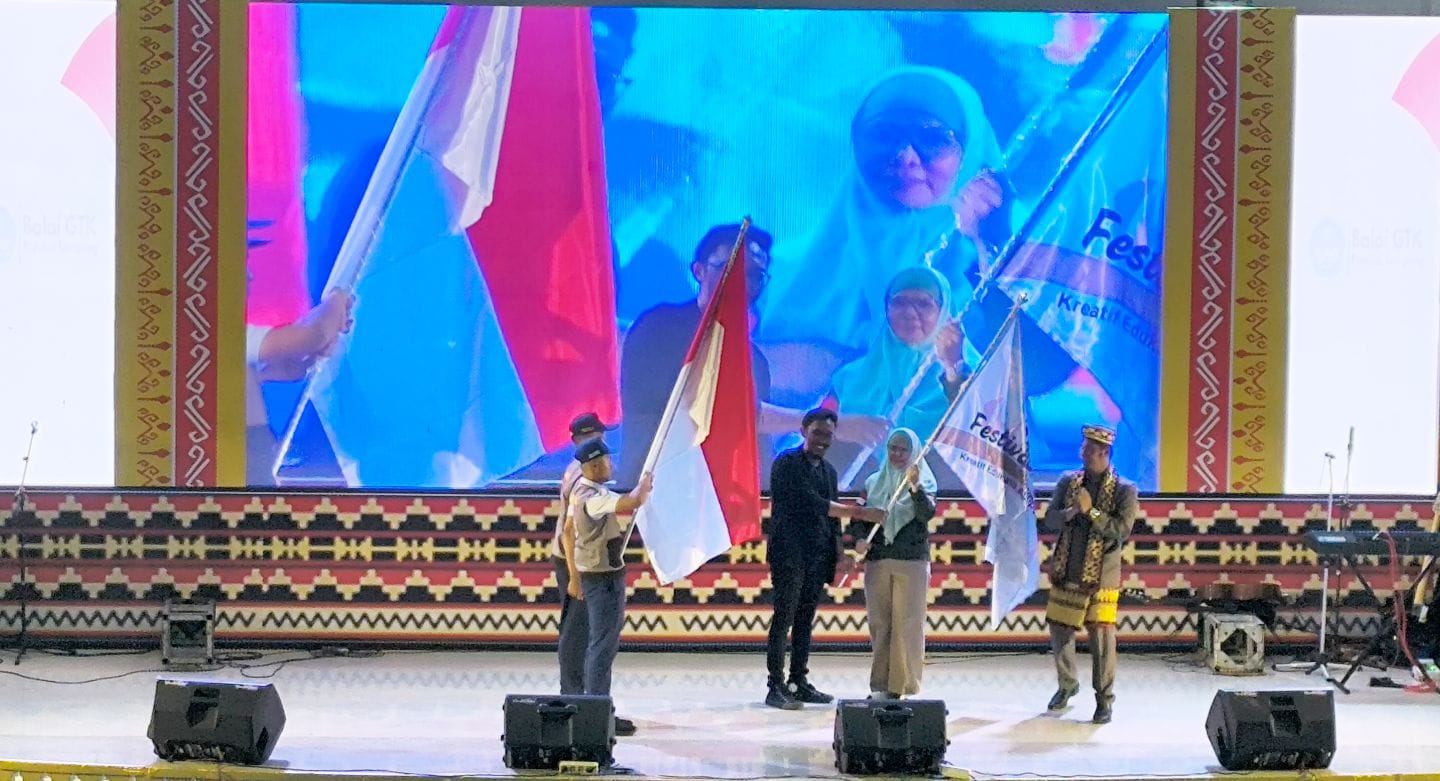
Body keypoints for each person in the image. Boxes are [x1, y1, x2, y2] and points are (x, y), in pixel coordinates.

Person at [760, 67, 1006, 362]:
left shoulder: (1006, 259)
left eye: (933, 138)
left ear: (970, 148)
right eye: (883, 135)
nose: (906, 157)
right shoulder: (776, 274)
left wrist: (987, 245)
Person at [619, 223, 887, 489]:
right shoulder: (661, 326)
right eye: (731, 268)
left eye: (755, 275)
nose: (741, 282)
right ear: (699, 270)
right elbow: (718, 410)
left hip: (725, 502)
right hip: (654, 492)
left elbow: (756, 446)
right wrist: (819, 423)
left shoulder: (754, 359)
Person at [764, 408, 887, 710]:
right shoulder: (786, 463)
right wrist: (860, 513)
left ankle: (798, 680)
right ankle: (775, 685)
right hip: (788, 552)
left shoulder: (829, 472)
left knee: (805, 618)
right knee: (784, 616)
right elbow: (812, 503)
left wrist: (840, 554)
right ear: (803, 432)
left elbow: (832, 522)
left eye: (828, 435)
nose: (822, 440)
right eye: (817, 433)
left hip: (816, 554)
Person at [828, 266, 969, 485]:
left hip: (942, 499)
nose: (910, 313)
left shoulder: (970, 373)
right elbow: (818, 432)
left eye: (924, 303)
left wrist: (954, 368)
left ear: (945, 312)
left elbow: (977, 428)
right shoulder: (848, 379)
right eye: (899, 302)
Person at [1042, 425, 1138, 724]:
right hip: (1067, 568)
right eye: (1083, 448)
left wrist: (1092, 512)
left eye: (1088, 450)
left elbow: (1121, 530)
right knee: (1060, 631)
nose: (1082, 453)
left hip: (1102, 576)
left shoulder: (1125, 489)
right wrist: (1071, 512)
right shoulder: (1068, 481)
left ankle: (1104, 699)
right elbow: (1050, 520)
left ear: (1104, 453)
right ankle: (1067, 684)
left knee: (1102, 640)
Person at [560, 440, 653, 735]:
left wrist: (574, 576)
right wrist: (645, 484)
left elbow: (567, 532)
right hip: (602, 579)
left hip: (594, 575)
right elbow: (631, 502)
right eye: (607, 461)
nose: (611, 466)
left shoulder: (581, 491)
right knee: (602, 647)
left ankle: (597, 710)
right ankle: (597, 716)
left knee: (599, 645)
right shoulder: (592, 497)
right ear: (595, 465)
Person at [846, 427, 938, 699]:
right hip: (878, 562)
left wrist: (914, 487)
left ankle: (904, 686)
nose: (897, 454)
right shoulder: (873, 482)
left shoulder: (925, 482)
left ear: (913, 452)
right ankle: (880, 685)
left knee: (907, 624)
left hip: (911, 562)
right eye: (893, 448)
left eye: (903, 450)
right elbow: (858, 518)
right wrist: (859, 540)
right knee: (881, 624)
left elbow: (926, 514)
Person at [553, 412, 613, 697]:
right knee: (578, 633)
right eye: (594, 436)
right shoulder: (582, 476)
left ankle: (584, 699)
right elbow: (570, 531)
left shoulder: (579, 469)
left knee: (583, 631)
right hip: (576, 561)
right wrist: (575, 577)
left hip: (576, 559)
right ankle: (576, 699)